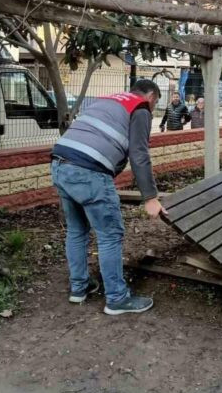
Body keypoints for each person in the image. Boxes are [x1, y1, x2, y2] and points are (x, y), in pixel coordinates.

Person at [51, 79, 165, 316]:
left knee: (76, 230)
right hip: (88, 171)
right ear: (152, 97)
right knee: (110, 235)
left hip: (60, 164)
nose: (152, 110)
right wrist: (150, 198)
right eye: (155, 105)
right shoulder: (140, 107)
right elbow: (139, 154)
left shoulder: (107, 101)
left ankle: (79, 288)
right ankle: (116, 298)